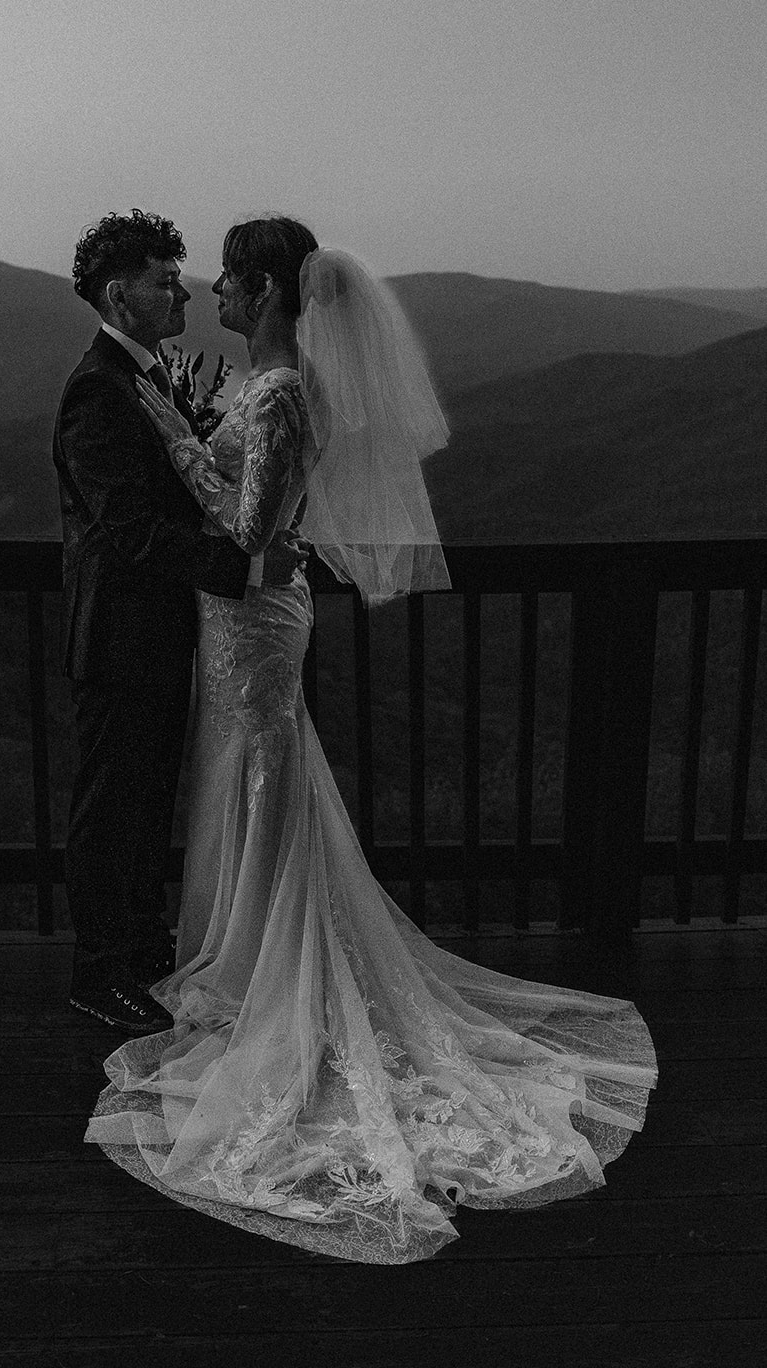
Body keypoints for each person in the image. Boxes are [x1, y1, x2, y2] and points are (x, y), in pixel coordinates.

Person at [83, 215, 657, 1264]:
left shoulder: (284, 390)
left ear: (261, 289)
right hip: (243, 618)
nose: (209, 289)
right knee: (250, 775)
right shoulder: (273, 385)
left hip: (251, 619)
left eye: (224, 276)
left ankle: (260, 963)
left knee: (262, 772)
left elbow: (250, 528)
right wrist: (191, 437)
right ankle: (244, 948)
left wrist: (175, 445)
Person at [53, 209, 301, 1034]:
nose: (182, 292)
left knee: (148, 800)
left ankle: (142, 947)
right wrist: (243, 567)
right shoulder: (98, 389)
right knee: (111, 805)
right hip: (120, 635)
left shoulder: (149, 373)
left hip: (169, 631)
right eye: (165, 280)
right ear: (120, 295)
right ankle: (98, 972)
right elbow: (127, 530)